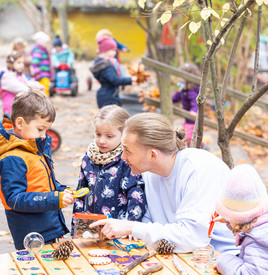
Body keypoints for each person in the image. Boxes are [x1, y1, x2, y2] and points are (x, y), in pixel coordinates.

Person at [90, 112, 239, 254]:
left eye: (127, 151)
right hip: (179, 255)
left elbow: (192, 238)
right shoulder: (149, 173)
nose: (122, 157)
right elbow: (149, 223)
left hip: (223, 257)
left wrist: (131, 227)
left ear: (152, 154)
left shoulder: (199, 168)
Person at [0, 89, 74, 250]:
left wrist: (62, 190)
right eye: (40, 129)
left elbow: (43, 183)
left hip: (47, 228)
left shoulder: (33, 148)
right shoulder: (12, 158)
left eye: (46, 130)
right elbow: (15, 199)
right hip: (32, 235)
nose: (44, 135)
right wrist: (55, 199)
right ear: (20, 123)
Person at [72, 105, 146, 223]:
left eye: (109, 136)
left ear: (123, 135)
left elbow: (135, 195)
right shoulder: (88, 159)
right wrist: (77, 226)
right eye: (98, 134)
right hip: (92, 227)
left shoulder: (127, 161)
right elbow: (80, 194)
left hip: (117, 229)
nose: (102, 140)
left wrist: (131, 226)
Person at [214, 164, 268, 274]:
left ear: (239, 218)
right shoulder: (261, 225)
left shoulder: (257, 241)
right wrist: (230, 221)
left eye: (229, 215)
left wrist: (223, 261)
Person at [89, 36, 137, 108]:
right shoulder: (106, 66)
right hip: (109, 97)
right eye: (114, 50)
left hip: (107, 94)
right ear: (106, 50)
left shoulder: (103, 64)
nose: (115, 52)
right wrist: (131, 79)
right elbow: (115, 80)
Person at [0, 51, 42, 118]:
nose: (22, 65)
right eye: (19, 63)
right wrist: (31, 90)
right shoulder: (7, 76)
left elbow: (26, 82)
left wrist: (36, 85)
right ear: (11, 64)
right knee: (11, 125)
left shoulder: (20, 75)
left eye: (22, 63)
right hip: (11, 107)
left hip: (19, 106)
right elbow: (17, 87)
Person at [172, 63, 201, 146]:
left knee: (189, 136)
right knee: (185, 133)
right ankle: (194, 145)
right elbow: (176, 97)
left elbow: (195, 101)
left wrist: (194, 110)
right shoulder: (183, 89)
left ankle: (201, 145)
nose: (179, 79)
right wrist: (170, 99)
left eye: (181, 77)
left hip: (192, 119)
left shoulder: (191, 91)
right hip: (187, 119)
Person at [31, 31, 52, 96]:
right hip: (41, 73)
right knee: (45, 86)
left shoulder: (43, 50)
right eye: (46, 42)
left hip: (45, 73)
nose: (47, 44)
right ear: (41, 42)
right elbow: (35, 63)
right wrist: (37, 73)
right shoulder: (38, 51)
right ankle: (45, 99)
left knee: (43, 87)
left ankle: (44, 99)